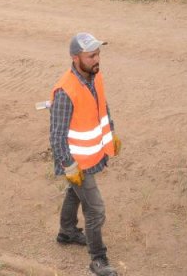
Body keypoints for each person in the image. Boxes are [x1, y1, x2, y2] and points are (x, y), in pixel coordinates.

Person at [50, 32, 120, 276]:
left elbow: (102, 107)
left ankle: (67, 232)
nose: (96, 59)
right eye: (91, 56)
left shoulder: (95, 76)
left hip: (90, 156)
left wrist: (111, 132)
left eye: (97, 54)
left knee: (75, 192)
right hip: (75, 161)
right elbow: (56, 136)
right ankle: (97, 259)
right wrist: (69, 166)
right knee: (95, 209)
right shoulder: (65, 91)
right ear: (75, 58)